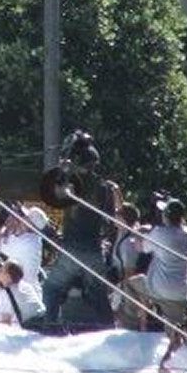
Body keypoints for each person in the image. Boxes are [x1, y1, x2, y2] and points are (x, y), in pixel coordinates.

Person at [42, 130, 118, 325]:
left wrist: (64, 168)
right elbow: (110, 222)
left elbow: (54, 189)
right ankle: (109, 328)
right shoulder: (104, 188)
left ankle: (50, 324)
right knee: (99, 294)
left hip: (73, 249)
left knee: (52, 288)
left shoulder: (74, 185)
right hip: (93, 248)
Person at [127, 197, 187, 330]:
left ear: (166, 216)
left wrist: (139, 232)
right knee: (175, 329)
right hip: (181, 291)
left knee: (131, 284)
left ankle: (136, 323)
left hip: (159, 288)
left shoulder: (159, 233)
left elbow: (140, 248)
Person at [0, 259, 46, 329]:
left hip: (30, 327)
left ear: (8, 276)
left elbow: (5, 323)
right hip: (43, 320)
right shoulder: (26, 286)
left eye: (1, 271)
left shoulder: (6, 294)